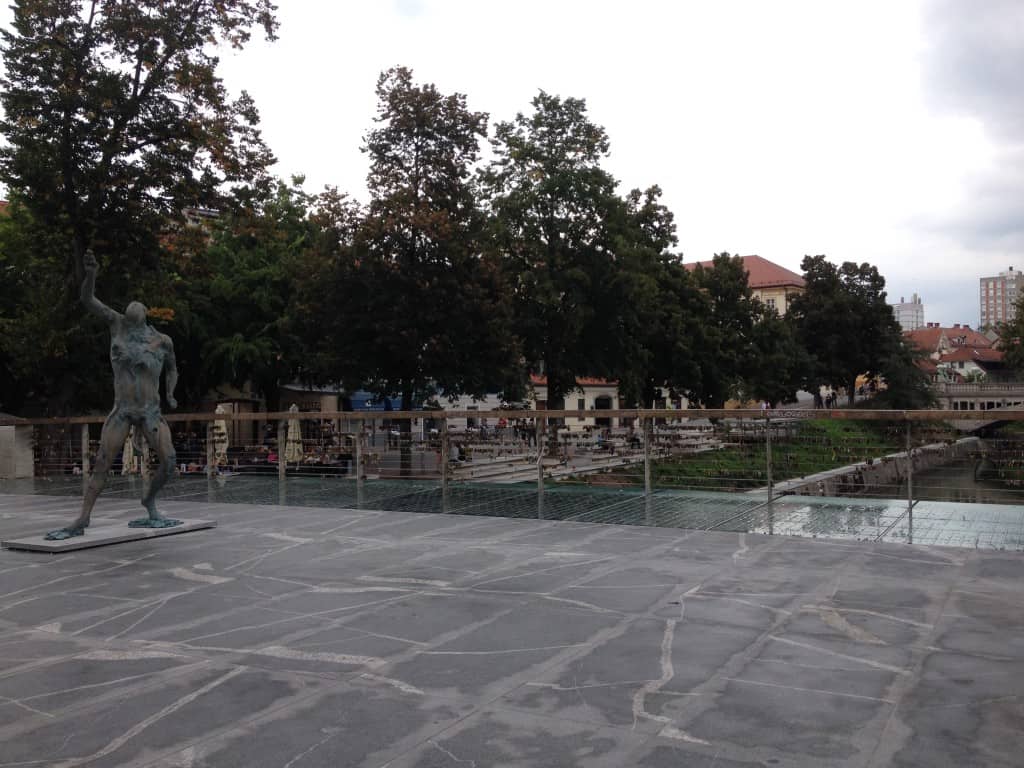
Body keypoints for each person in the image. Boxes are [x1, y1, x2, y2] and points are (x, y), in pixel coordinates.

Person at [45, 251, 181, 540]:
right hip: (122, 410)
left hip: (151, 412)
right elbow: (87, 301)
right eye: (128, 324)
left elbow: (173, 370)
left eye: (135, 324)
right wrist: (91, 274)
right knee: (103, 463)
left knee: (169, 461)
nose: (130, 328)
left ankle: (149, 501)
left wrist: (170, 393)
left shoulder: (162, 341)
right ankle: (82, 518)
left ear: (144, 320)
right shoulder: (116, 323)